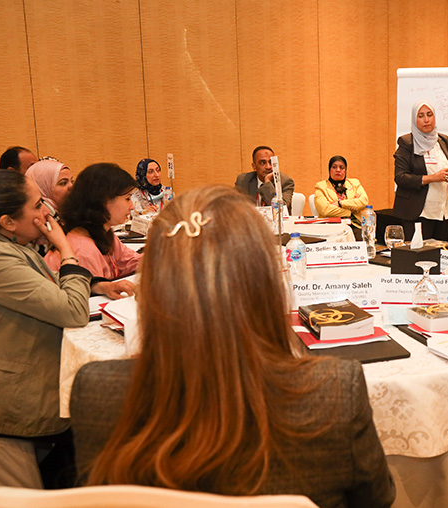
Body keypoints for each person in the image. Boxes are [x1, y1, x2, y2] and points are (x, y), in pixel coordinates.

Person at [69, 186, 396, 508]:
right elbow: (377, 499)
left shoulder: (97, 391)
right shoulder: (335, 391)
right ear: (265, 282)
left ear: (154, 286)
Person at [0, 170, 127, 501]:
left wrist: (97, 284)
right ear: (8, 221)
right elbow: (71, 311)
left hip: (7, 372)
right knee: (106, 420)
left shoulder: (6, 245)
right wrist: (65, 247)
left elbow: (47, 288)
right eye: (38, 204)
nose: (48, 212)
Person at [45, 163, 142, 282]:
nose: (132, 207)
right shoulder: (83, 250)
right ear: (103, 201)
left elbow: (130, 262)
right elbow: (93, 297)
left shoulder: (102, 233)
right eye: (127, 198)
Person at [393, 101, 448, 241]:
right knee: (417, 257)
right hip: (418, 212)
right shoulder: (407, 142)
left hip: (442, 210)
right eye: (421, 116)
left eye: (429, 115)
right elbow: (400, 177)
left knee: (439, 256)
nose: (426, 120)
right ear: (414, 119)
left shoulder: (443, 140)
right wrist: (432, 178)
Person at [314, 155, 369, 228]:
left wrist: (340, 204)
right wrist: (351, 210)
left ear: (345, 170)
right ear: (329, 170)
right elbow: (325, 210)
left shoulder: (354, 183)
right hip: (331, 226)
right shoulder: (321, 186)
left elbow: (364, 201)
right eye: (334, 167)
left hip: (354, 225)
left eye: (341, 167)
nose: (338, 170)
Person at [235, 146, 295, 212]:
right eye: (263, 163)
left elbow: (280, 210)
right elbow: (235, 207)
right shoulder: (244, 180)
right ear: (254, 166)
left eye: (271, 162)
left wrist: (267, 184)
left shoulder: (285, 182)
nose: (268, 167)